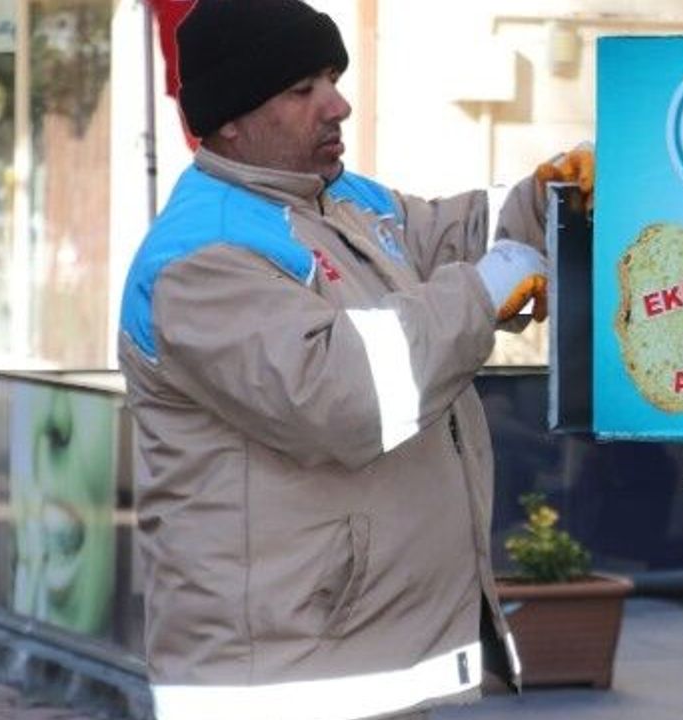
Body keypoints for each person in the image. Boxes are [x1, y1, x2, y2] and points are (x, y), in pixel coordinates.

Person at [118, 1, 592, 719]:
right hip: (279, 687)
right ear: (231, 119)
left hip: (353, 660)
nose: (337, 105)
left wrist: (553, 195)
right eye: (302, 89)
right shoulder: (201, 259)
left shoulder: (340, 202)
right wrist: (481, 293)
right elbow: (344, 396)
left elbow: (457, 233)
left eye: (333, 80)